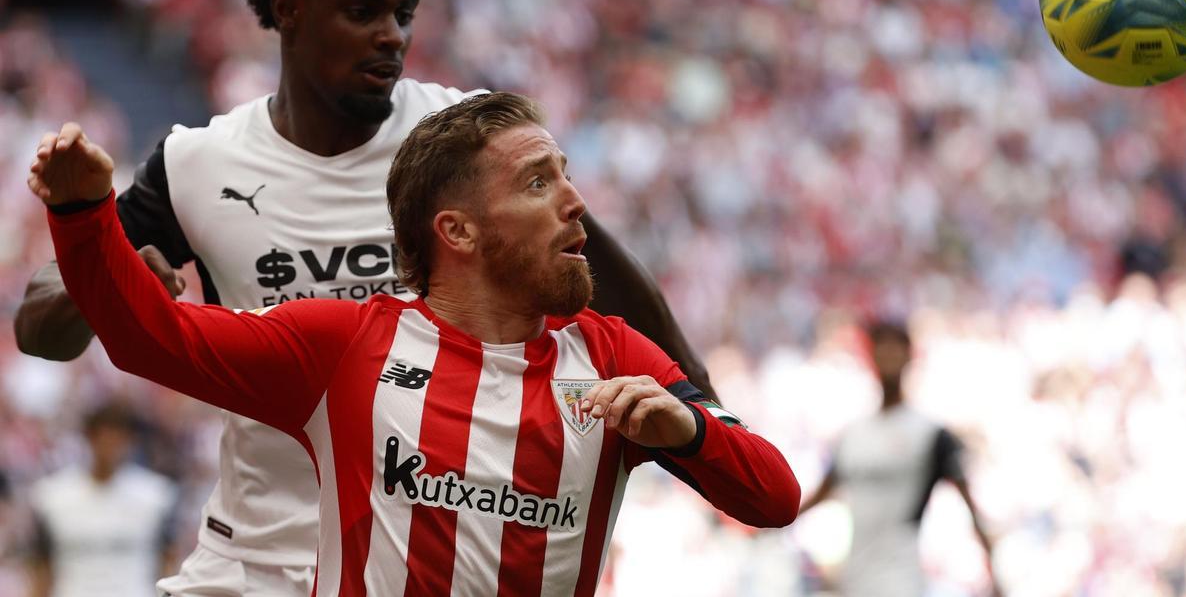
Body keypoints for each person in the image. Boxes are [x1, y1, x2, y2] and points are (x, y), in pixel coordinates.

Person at [13, 0, 714, 597]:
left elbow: (610, 280)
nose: (392, 35)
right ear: (287, 9)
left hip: (417, 563)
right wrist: (106, 283)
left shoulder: (459, 138)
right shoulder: (199, 162)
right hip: (254, 561)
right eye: (362, 10)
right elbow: (40, 329)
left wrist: (709, 422)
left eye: (404, 12)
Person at [29, 92, 800, 596]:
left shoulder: (616, 356)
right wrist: (84, 211)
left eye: (565, 175)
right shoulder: (344, 344)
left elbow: (774, 497)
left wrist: (692, 430)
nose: (575, 200)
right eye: (538, 183)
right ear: (456, 230)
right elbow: (146, 337)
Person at [796, 318, 1000, 597]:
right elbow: (820, 494)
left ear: (909, 356)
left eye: (895, 348)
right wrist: (769, 521)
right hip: (854, 578)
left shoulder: (931, 435)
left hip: (901, 579)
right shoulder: (852, 436)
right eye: (881, 348)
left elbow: (971, 507)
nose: (888, 356)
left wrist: (994, 573)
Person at [28, 402, 178, 597]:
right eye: (105, 435)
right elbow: (42, 568)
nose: (112, 445)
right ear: (90, 437)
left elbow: (167, 563)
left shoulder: (156, 496)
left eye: (120, 437)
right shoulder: (52, 497)